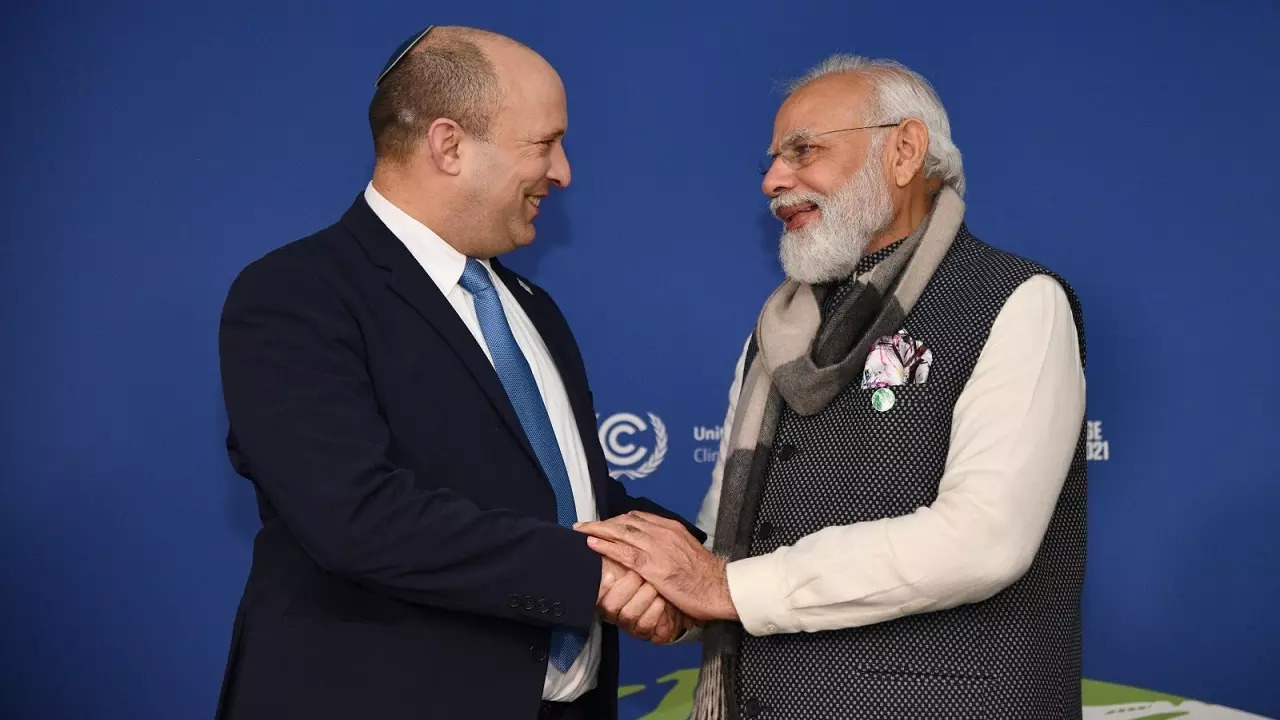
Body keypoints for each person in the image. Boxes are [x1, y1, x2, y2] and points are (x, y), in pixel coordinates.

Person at [575, 54, 1087, 719]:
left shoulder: (1014, 301)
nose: (774, 181)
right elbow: (732, 549)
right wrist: (675, 601)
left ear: (904, 151)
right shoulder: (777, 331)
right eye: (772, 159)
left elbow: (984, 539)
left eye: (803, 150)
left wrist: (724, 588)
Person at [215, 25, 702, 720]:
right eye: (544, 144)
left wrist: (709, 576)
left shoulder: (534, 308)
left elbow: (577, 502)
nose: (563, 172)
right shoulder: (296, 293)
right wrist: (596, 577)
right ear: (449, 145)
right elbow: (357, 517)